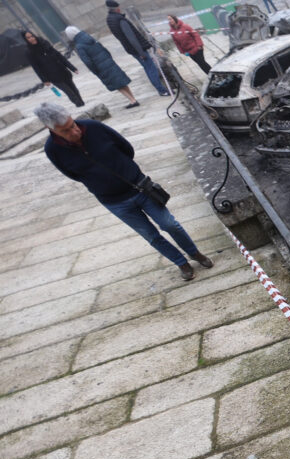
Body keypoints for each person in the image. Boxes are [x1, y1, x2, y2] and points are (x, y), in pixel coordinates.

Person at [35, 102, 212, 280]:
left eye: (72, 125)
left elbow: (126, 148)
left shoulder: (94, 127)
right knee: (151, 236)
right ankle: (181, 263)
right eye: (65, 131)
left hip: (139, 187)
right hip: (114, 201)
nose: (74, 132)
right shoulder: (52, 149)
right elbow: (71, 174)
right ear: (50, 129)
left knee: (169, 224)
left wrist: (125, 171)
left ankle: (194, 253)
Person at [105, 0, 169, 96]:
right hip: (137, 49)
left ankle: (160, 89)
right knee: (151, 69)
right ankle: (162, 90)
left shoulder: (109, 19)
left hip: (130, 49)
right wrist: (141, 52)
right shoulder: (120, 20)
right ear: (117, 9)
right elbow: (132, 38)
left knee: (148, 68)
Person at [64, 26, 139, 109]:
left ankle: (132, 101)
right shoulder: (89, 37)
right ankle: (133, 99)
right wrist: (109, 58)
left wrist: (95, 71)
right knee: (121, 82)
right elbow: (103, 48)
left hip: (100, 67)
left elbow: (87, 61)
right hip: (108, 62)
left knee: (117, 85)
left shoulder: (79, 46)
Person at [23, 31, 84, 107]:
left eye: (32, 36)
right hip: (52, 76)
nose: (31, 38)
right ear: (25, 40)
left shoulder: (44, 43)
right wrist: (44, 80)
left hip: (62, 71)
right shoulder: (29, 52)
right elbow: (36, 67)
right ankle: (79, 105)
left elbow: (59, 55)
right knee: (69, 92)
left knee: (74, 89)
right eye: (28, 38)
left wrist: (72, 67)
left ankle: (82, 103)